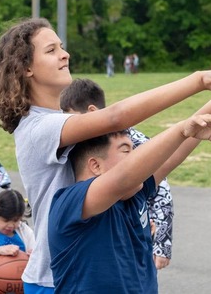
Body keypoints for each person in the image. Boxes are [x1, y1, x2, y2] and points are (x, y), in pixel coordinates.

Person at [0, 17, 211, 293]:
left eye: (62, 46)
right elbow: (117, 119)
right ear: (25, 68)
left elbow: (145, 167)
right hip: (60, 276)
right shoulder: (37, 128)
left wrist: (207, 111)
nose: (65, 54)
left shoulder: (66, 120)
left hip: (101, 257)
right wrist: (200, 80)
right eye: (51, 50)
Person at [48, 108, 211, 293]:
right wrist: (181, 130)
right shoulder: (71, 202)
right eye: (126, 151)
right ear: (95, 165)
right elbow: (124, 177)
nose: (137, 159)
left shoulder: (134, 194)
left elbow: (171, 156)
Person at [60, 78, 174, 270]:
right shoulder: (77, 144)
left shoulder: (131, 141)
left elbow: (161, 189)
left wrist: (162, 245)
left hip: (135, 228)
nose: (66, 124)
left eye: (71, 118)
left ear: (91, 113)